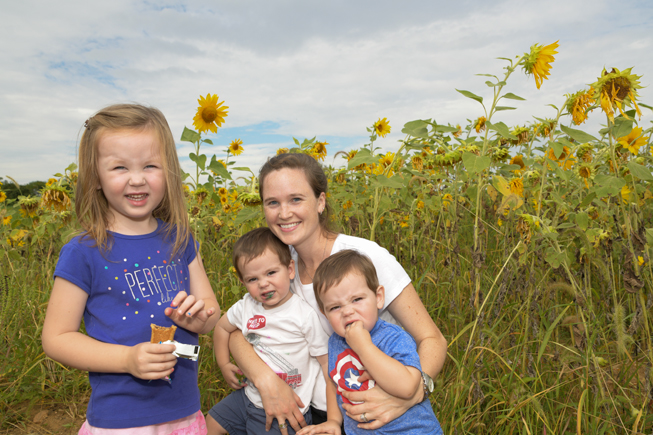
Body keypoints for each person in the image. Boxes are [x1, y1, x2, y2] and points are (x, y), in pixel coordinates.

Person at [228, 153, 447, 434]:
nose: (284, 213)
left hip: (381, 416)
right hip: (313, 415)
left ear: (320, 202)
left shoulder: (362, 257)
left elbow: (432, 339)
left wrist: (414, 393)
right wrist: (266, 380)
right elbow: (237, 332)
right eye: (273, 202)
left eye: (296, 199)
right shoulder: (277, 270)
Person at [41, 104, 220, 434]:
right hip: (121, 422)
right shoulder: (84, 252)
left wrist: (200, 318)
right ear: (95, 177)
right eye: (119, 167)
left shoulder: (180, 239)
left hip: (185, 415)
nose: (137, 179)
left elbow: (211, 316)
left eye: (151, 165)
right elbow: (56, 338)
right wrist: (126, 360)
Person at [298, 249, 442, 435]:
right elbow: (335, 383)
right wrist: (333, 421)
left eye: (357, 299)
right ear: (324, 313)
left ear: (378, 297)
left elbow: (407, 387)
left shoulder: (393, 338)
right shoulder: (335, 342)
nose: (347, 311)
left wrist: (363, 346)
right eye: (335, 307)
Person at [207, 227, 329, 435]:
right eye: (252, 279)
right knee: (211, 422)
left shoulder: (303, 315)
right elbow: (221, 327)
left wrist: (334, 416)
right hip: (248, 395)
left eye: (271, 273)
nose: (263, 284)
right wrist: (224, 362)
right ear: (243, 281)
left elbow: (326, 363)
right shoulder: (246, 306)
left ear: (290, 270)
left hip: (284, 410)